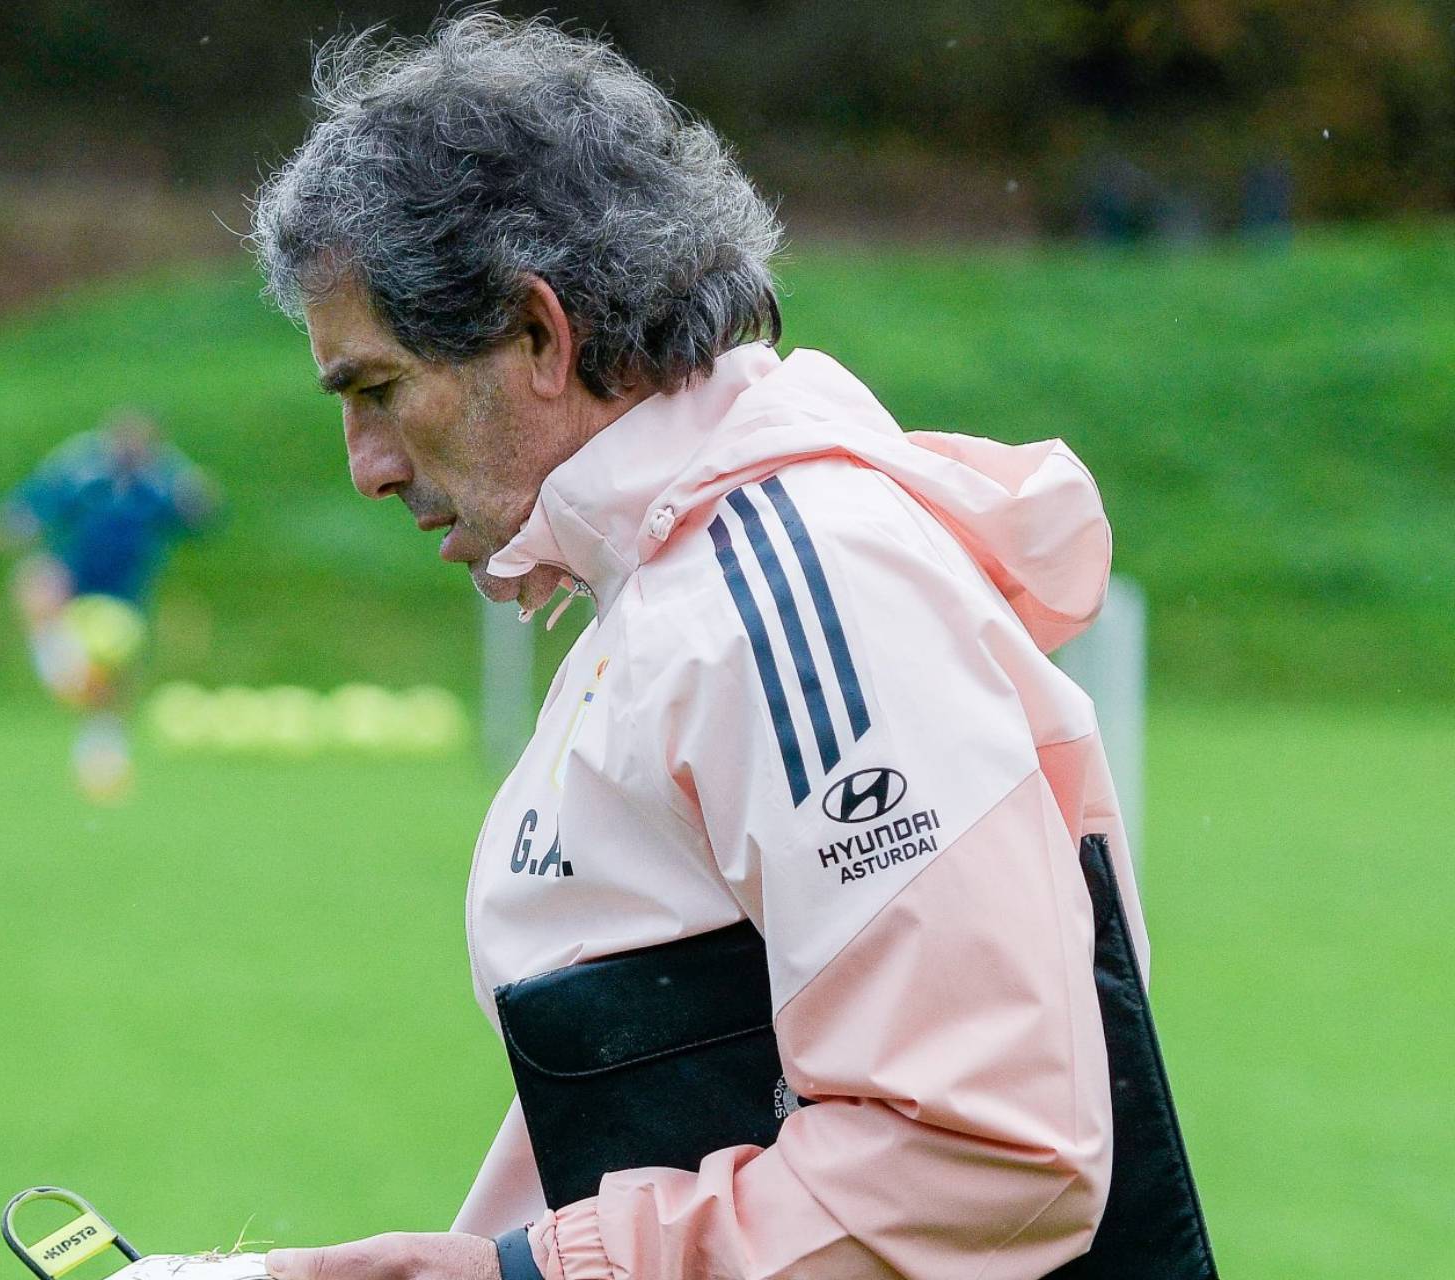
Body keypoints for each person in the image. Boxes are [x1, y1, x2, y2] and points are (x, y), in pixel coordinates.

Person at [249, 15, 1208, 1280]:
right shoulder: (667, 589)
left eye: (376, 390)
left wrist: (524, 1273)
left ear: (541, 336)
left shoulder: (785, 592)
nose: (367, 467)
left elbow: (989, 1150)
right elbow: (674, 1119)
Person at [0, 411, 219, 799]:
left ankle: (103, 757)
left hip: (125, 596)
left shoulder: (159, 482)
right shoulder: (83, 472)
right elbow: (30, 506)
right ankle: (57, 665)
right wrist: (20, 521)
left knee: (112, 683)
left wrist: (198, 496)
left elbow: (201, 518)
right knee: (36, 589)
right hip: (74, 587)